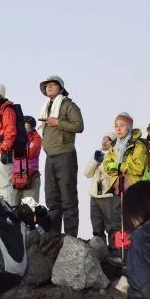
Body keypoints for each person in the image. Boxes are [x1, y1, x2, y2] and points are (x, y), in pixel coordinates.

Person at [38, 75, 84, 237]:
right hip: (50, 157)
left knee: (68, 198)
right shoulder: (46, 107)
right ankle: (54, 236)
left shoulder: (68, 105)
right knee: (52, 200)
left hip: (65, 155)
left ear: (61, 88)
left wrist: (58, 122)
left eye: (52, 85)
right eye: (47, 85)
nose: (48, 87)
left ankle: (71, 238)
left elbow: (79, 126)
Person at [83, 132, 119, 249]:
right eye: (103, 139)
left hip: (108, 195)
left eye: (108, 140)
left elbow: (111, 173)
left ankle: (114, 251)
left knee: (111, 226)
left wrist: (103, 162)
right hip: (94, 195)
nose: (104, 141)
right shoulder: (97, 153)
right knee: (97, 226)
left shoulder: (115, 155)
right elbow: (87, 173)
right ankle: (100, 252)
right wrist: (95, 160)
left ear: (113, 143)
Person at [103, 112, 148, 190]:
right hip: (115, 188)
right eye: (116, 126)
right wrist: (121, 169)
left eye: (122, 125)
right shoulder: (113, 146)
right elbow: (106, 167)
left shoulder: (138, 145)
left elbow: (139, 169)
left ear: (129, 127)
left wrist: (119, 166)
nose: (118, 129)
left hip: (134, 188)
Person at [12, 115, 42, 203]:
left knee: (30, 206)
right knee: (14, 206)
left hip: (31, 177)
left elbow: (31, 152)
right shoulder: (16, 137)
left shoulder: (36, 138)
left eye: (27, 127)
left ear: (32, 128)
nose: (25, 129)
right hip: (16, 177)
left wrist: (20, 147)